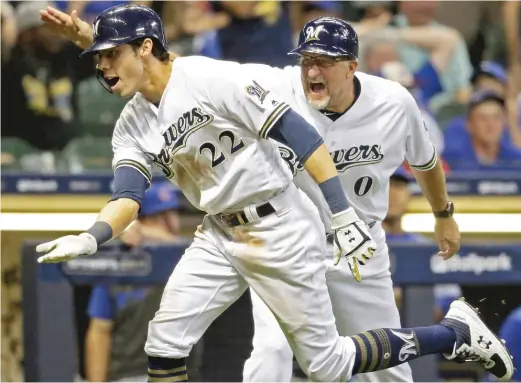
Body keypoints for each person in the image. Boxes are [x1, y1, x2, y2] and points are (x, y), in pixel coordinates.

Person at [36, 8, 514, 382]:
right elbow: (128, 194)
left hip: (285, 226)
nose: (100, 67)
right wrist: (93, 235)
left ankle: (454, 334)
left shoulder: (211, 78)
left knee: (329, 366)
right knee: (167, 341)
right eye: (96, 57)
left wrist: (347, 212)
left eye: (109, 54)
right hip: (218, 233)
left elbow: (303, 137)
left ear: (143, 49)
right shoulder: (131, 124)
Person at [236, 17, 513, 382]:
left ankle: (454, 333)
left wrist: (443, 214)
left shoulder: (392, 102)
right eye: (307, 60)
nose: (313, 70)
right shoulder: (276, 89)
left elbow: (425, 162)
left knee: (386, 372)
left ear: (352, 66)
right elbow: (205, 80)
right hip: (287, 244)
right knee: (272, 351)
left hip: (357, 247)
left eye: (325, 61)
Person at [85, 182, 185, 382]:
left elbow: (184, 250)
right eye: (159, 218)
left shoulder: (185, 260)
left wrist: (151, 234)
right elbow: (99, 330)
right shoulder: (119, 265)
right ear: (141, 221)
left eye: (172, 215)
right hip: (129, 375)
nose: (171, 224)